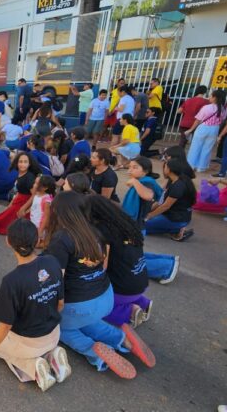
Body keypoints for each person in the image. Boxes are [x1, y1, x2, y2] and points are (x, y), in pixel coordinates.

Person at [44, 192, 155, 379]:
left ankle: (94, 352)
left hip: (80, 303)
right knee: (86, 321)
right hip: (105, 297)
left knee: (60, 327)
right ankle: (122, 340)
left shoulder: (62, 238)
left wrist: (52, 307)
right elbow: (103, 265)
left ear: (59, 212)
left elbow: (57, 280)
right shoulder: (95, 231)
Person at [0, 218, 69, 391]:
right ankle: (52, 356)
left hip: (29, 343)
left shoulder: (12, 281)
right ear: (37, 241)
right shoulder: (53, 261)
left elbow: (4, 327)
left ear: (8, 242)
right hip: (54, 333)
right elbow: (60, 304)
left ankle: (33, 368)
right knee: (2, 337)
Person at [87, 195, 152, 328]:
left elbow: (102, 267)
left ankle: (129, 312)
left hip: (122, 290)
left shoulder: (102, 232)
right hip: (140, 283)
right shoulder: (126, 224)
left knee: (90, 309)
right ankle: (142, 303)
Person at [144, 158, 196, 241]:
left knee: (140, 226)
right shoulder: (174, 181)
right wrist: (147, 211)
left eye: (165, 167)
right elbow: (160, 201)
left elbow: (165, 206)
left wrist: (149, 215)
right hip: (177, 217)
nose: (163, 169)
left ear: (169, 169)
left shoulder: (178, 185)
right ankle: (174, 230)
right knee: (141, 221)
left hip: (176, 219)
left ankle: (176, 230)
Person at [0, 152, 42, 235]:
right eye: (20, 162)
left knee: (5, 223)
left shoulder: (29, 177)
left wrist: (24, 208)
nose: (22, 164)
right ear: (16, 163)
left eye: (25, 162)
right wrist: (11, 204)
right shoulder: (21, 173)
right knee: (1, 219)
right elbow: (19, 191)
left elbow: (34, 195)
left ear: (29, 164)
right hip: (19, 199)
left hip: (25, 202)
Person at [185, 90, 227, 172]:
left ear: (215, 97)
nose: (209, 97)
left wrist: (191, 129)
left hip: (203, 127)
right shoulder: (225, 109)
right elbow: (223, 120)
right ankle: (201, 167)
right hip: (215, 129)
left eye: (211, 96)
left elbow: (198, 120)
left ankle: (191, 165)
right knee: (207, 149)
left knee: (195, 147)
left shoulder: (206, 107)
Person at [22, 175, 56, 246]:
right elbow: (35, 206)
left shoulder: (46, 200)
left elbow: (46, 217)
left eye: (37, 184)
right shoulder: (37, 194)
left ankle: (43, 243)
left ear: (45, 188)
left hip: (39, 224)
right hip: (34, 220)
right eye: (35, 182)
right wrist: (27, 210)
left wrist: (40, 231)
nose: (34, 185)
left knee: (36, 243)